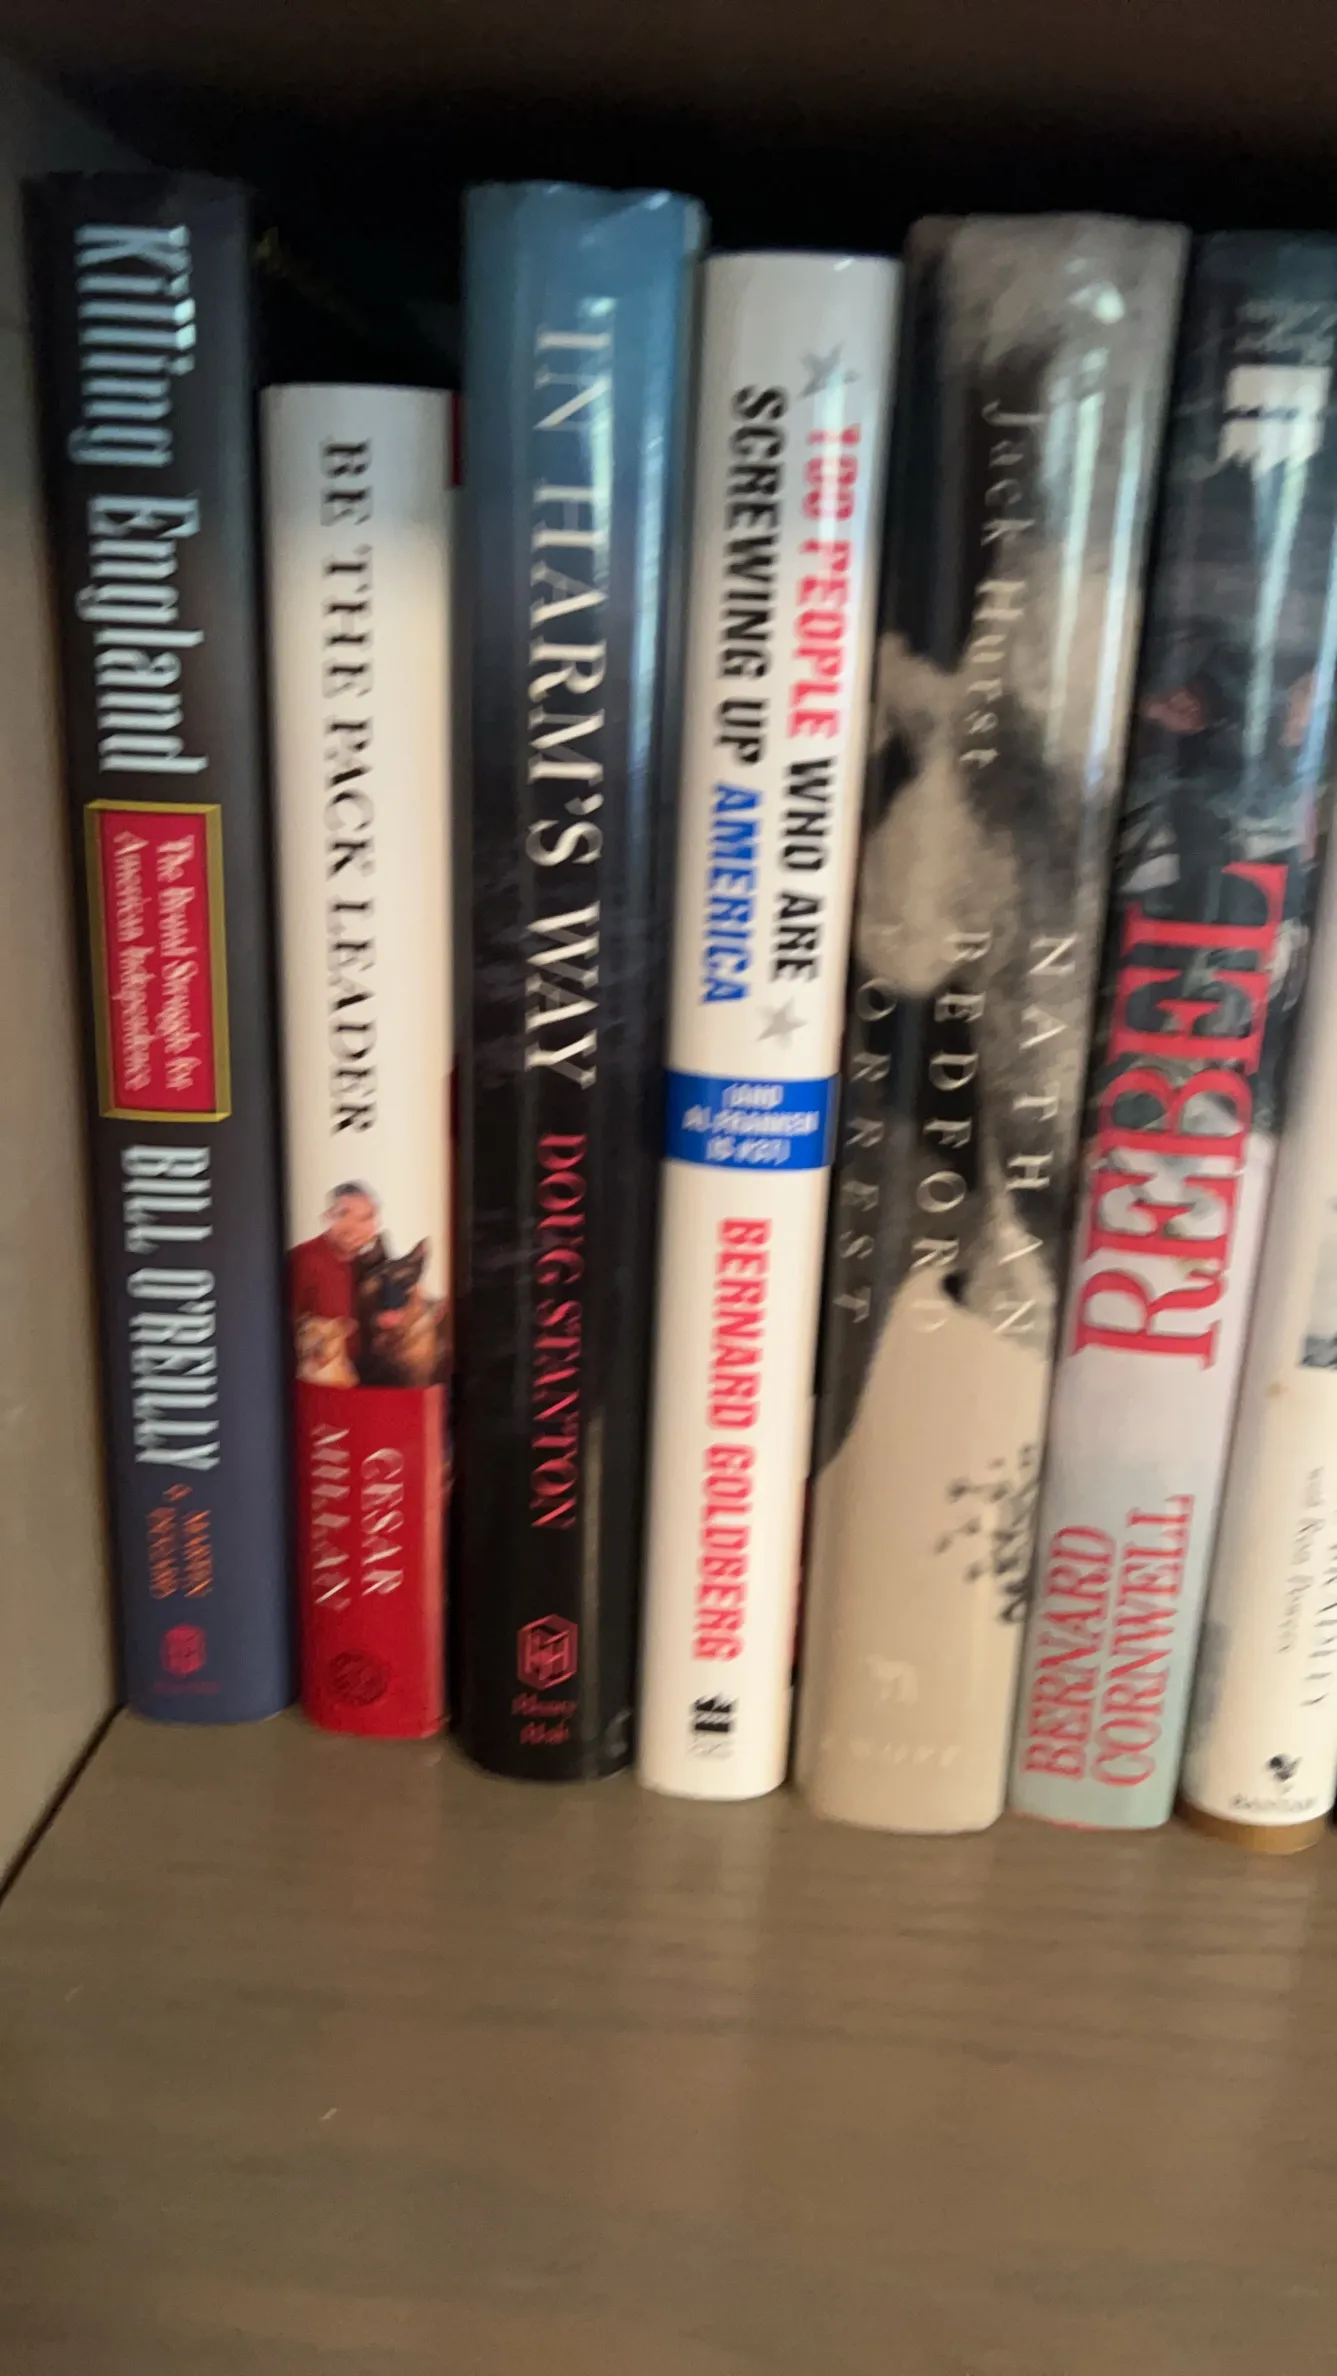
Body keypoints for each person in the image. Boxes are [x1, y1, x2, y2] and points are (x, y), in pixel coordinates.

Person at [289, 1183, 385, 1324]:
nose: (351, 1225)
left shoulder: (376, 1265)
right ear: (327, 1217)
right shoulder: (301, 1260)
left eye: (365, 1217)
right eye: (343, 1214)